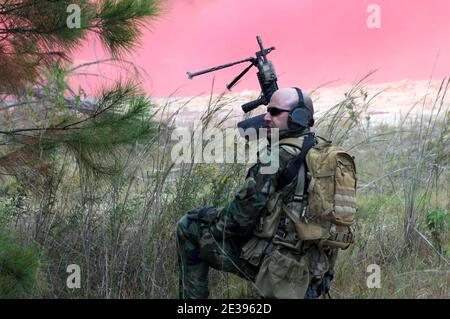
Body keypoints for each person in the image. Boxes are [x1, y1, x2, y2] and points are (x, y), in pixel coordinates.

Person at [176, 87, 337, 299]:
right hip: (317, 265)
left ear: (298, 116)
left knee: (190, 226)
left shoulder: (274, 158)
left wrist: (209, 218)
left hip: (282, 266)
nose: (266, 117)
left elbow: (238, 219)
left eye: (275, 112)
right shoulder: (323, 150)